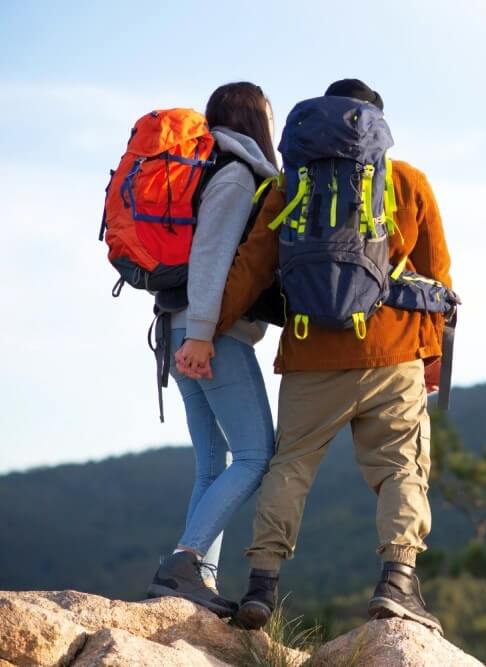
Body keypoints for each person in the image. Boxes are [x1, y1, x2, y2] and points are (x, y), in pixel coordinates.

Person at [177, 79, 451, 633]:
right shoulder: (407, 182)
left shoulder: (289, 184)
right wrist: (431, 361)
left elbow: (252, 264)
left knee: (290, 466)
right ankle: (397, 583)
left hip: (309, 355)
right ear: (376, 125)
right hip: (393, 353)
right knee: (401, 466)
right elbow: (436, 278)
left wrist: (205, 332)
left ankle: (261, 587)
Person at [145, 82, 279, 617]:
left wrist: (191, 332)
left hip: (178, 331)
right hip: (206, 335)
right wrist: (202, 333)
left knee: (212, 463)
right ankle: (186, 560)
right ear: (255, 118)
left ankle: (193, 581)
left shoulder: (205, 169)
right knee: (255, 455)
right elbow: (210, 256)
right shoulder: (235, 174)